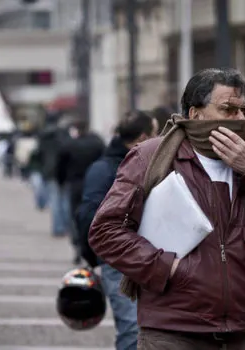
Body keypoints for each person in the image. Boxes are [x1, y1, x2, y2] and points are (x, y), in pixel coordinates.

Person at [89, 68, 245, 349]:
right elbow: (105, 231)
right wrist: (168, 268)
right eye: (228, 109)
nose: (240, 119)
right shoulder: (151, 156)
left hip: (238, 334)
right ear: (195, 114)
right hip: (172, 333)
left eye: (244, 110)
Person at [76, 111, 158, 350]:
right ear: (143, 137)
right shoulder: (105, 169)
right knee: (132, 329)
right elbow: (88, 217)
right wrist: (94, 256)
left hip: (154, 258)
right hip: (119, 261)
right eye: (155, 133)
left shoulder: (151, 164)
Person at [56, 119, 105, 265]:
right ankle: (91, 245)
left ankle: (78, 245)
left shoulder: (70, 145)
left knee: (74, 216)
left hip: (75, 184)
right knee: (93, 215)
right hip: (94, 183)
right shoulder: (97, 143)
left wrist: (61, 180)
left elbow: (60, 165)